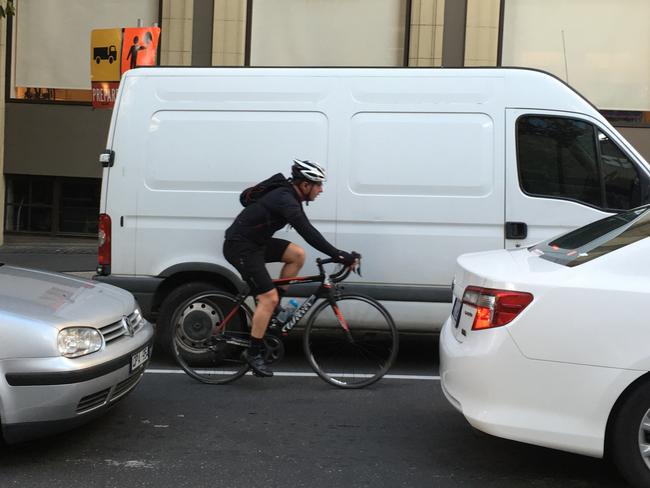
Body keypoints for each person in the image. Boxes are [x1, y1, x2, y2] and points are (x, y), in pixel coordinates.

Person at [223, 159, 356, 377]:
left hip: (257, 243)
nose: (321, 190)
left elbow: (307, 232)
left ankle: (273, 311)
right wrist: (339, 255)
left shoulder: (291, 197)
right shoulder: (285, 199)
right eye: (318, 185)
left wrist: (338, 254)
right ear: (305, 185)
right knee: (268, 297)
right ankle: (253, 352)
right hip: (241, 247)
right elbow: (308, 231)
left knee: (297, 255)